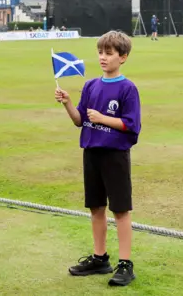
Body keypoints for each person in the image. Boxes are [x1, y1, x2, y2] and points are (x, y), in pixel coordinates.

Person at [55, 31, 141, 287]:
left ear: (122, 58)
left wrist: (103, 119)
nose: (103, 58)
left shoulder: (128, 88)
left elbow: (131, 125)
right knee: (96, 207)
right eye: (100, 52)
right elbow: (80, 120)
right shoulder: (91, 85)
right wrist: (68, 103)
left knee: (121, 210)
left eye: (109, 53)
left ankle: (125, 264)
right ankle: (100, 257)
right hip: (91, 152)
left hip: (114, 156)